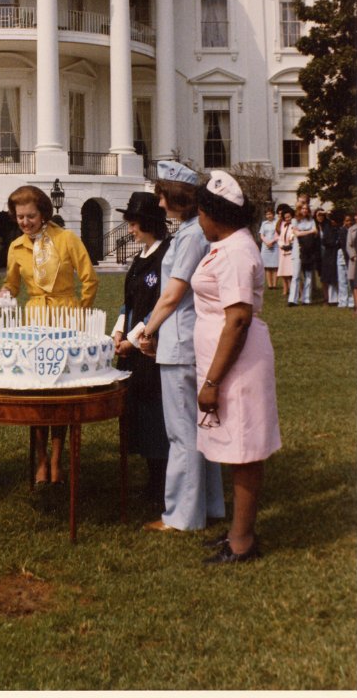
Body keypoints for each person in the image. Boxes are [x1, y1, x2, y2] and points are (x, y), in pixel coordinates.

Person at [193, 171, 282, 563]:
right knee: (236, 447)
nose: (199, 221)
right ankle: (236, 532)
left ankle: (242, 541)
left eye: (201, 213)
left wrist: (213, 380)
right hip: (227, 360)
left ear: (214, 215)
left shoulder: (234, 252)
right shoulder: (228, 245)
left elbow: (238, 318)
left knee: (245, 451)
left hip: (236, 364)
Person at [138, 161, 225, 533]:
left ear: (175, 197)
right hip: (185, 338)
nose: (158, 204)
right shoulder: (190, 232)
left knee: (182, 432)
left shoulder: (190, 237)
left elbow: (172, 294)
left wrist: (147, 330)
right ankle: (209, 505)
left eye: (161, 195)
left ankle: (182, 516)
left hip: (179, 342)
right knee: (196, 429)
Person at [0, 185, 98, 485]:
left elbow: (90, 279)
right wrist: (6, 292)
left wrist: (79, 310)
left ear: (43, 213)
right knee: (37, 392)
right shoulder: (16, 247)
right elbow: (12, 284)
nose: (25, 222)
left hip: (66, 319)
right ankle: (41, 459)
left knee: (61, 392)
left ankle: (57, 457)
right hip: (35, 320)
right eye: (20, 217)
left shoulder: (66, 239)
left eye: (30, 216)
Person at [112, 193, 171, 507]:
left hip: (152, 347)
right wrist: (118, 329)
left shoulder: (166, 256)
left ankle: (161, 483)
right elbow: (130, 301)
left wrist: (133, 339)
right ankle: (151, 479)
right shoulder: (140, 257)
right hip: (132, 346)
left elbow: (160, 305)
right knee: (140, 415)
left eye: (134, 223)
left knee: (155, 416)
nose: (130, 230)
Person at [288, 202, 317, 306]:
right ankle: (293, 299)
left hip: (309, 250)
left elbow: (315, 231)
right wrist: (309, 231)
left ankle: (306, 299)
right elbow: (297, 233)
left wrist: (303, 232)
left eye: (306, 209)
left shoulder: (312, 220)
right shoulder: (295, 220)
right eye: (302, 209)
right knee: (296, 275)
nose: (304, 210)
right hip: (298, 249)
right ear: (299, 210)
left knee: (308, 274)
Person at [315, 209, 338, 305]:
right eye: (318, 215)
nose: (320, 217)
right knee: (322, 277)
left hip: (329, 252)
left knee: (330, 275)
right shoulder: (314, 226)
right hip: (318, 253)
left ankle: (332, 298)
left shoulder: (328, 225)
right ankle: (326, 298)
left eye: (322, 215)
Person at [276, 207, 295, 298]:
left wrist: (290, 245)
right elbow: (280, 238)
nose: (288, 219)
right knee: (284, 272)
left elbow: (294, 236)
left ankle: (294, 290)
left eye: (289, 217)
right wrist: (282, 245)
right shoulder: (284, 226)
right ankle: (286, 289)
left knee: (291, 272)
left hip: (291, 250)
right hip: (284, 251)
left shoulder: (294, 225)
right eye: (286, 217)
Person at [259, 207, 279, 289]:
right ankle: (270, 285)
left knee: (275, 266)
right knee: (267, 266)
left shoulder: (277, 222)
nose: (269, 216)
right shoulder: (264, 223)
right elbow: (261, 235)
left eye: (270, 214)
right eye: (267, 214)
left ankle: (274, 285)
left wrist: (272, 241)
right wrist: (267, 242)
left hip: (275, 245)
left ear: (273, 214)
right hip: (265, 246)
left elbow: (279, 234)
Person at [346, 213, 357, 315]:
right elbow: (348, 245)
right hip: (355, 259)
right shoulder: (352, 229)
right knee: (354, 283)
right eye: (356, 216)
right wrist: (353, 256)